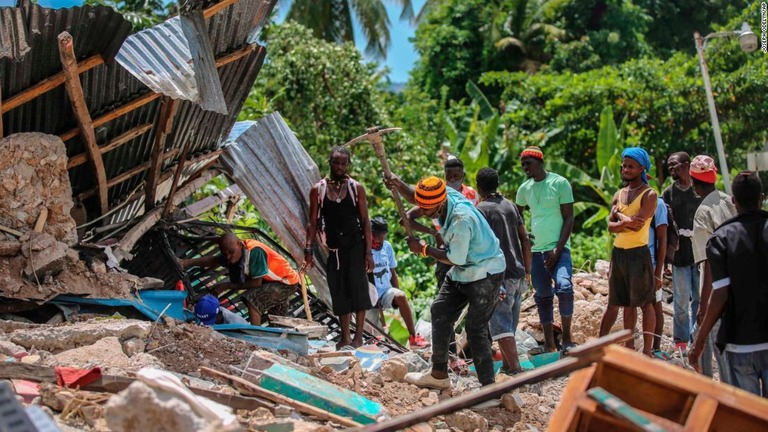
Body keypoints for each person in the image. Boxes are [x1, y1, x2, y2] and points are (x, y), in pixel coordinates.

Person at [387, 175, 505, 390]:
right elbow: (415, 195)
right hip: (463, 270)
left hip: (485, 272)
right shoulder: (444, 193)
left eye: (427, 211)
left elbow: (454, 258)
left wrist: (423, 249)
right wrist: (399, 184)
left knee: (475, 329)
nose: (422, 213)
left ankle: (490, 390)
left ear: (439, 204)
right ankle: (439, 373)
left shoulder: (461, 219)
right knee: (440, 310)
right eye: (421, 208)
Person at [689, 171, 768, 397]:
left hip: (740, 342)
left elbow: (720, 293)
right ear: (761, 197)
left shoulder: (721, 238)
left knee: (746, 414)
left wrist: (699, 341)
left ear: (734, 200)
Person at [303, 147, 374, 349]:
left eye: (343, 163)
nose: (340, 167)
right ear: (330, 162)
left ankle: (358, 337)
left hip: (355, 247)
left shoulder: (355, 188)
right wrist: (308, 249)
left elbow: (365, 221)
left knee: (359, 290)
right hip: (334, 250)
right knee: (340, 292)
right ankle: (345, 338)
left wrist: (368, 252)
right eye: (336, 163)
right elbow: (313, 223)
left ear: (348, 165)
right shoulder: (319, 190)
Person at [515, 146, 575, 354]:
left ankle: (567, 339)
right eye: (523, 164)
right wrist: (525, 237)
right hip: (537, 252)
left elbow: (569, 218)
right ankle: (550, 344)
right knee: (542, 296)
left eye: (528, 163)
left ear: (540, 162)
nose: (525, 168)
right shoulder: (524, 189)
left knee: (565, 288)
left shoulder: (559, 183)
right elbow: (518, 215)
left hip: (559, 250)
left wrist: (558, 250)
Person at [599, 147, 657, 357]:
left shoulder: (649, 194)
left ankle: (648, 350)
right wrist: (627, 221)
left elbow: (638, 226)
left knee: (645, 303)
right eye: (624, 165)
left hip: (638, 254)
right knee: (622, 303)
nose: (626, 169)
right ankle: (628, 346)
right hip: (619, 254)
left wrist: (620, 218)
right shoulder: (619, 194)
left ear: (642, 168)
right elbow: (611, 227)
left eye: (631, 166)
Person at [475, 167, 531, 375]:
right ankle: (508, 367)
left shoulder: (481, 210)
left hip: (499, 275)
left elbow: (480, 246)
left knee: (501, 326)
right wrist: (528, 271)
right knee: (509, 325)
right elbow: (525, 239)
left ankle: (516, 371)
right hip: (518, 273)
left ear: (478, 186)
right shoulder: (509, 206)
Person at [179, 233, 300, 326]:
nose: (229, 258)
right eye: (225, 254)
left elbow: (256, 283)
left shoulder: (254, 252)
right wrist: (186, 262)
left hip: (286, 282)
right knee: (278, 319)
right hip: (271, 281)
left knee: (252, 298)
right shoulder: (233, 254)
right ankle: (279, 344)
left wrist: (226, 286)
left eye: (231, 252)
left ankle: (256, 338)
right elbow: (214, 260)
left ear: (239, 244)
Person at [689, 155, 736, 381]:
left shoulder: (702, 213)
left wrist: (704, 306)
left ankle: (721, 396)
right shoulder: (729, 200)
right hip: (740, 282)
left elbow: (708, 262)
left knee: (715, 344)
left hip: (717, 288)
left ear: (694, 183)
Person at [662, 152, 702, 348]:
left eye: (675, 165)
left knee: (700, 300)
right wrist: (665, 260)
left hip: (701, 253)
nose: (671, 169)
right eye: (669, 166)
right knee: (681, 301)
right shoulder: (668, 193)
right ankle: (681, 341)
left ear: (687, 165)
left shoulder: (700, 189)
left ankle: (698, 338)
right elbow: (664, 226)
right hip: (679, 254)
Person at [369, 216, 428, 348]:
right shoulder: (364, 248)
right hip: (368, 296)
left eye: (383, 236)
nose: (380, 240)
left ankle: (414, 338)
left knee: (401, 296)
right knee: (374, 338)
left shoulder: (387, 247)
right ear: (370, 234)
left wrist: (397, 294)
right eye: (377, 236)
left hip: (385, 291)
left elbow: (392, 273)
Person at [649, 197, 668, 354]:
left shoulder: (658, 203)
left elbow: (663, 239)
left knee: (656, 304)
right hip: (633, 260)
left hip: (653, 263)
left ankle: (656, 348)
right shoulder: (625, 197)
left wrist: (658, 272)